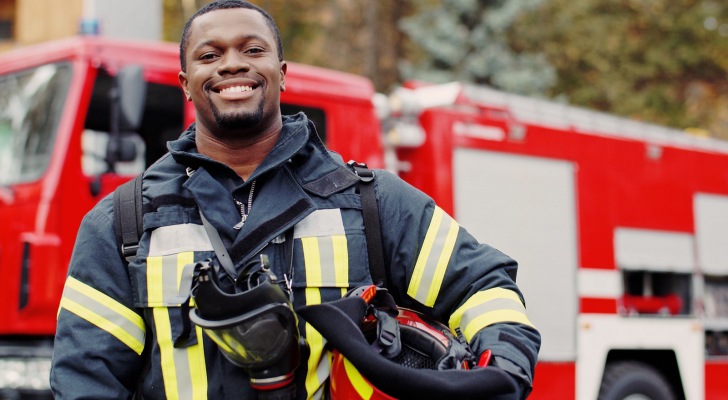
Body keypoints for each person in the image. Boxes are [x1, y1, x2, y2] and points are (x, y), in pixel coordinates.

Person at [50, 1, 540, 399]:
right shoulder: (123, 223)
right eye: (209, 55)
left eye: (252, 49)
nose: (232, 63)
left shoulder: (372, 204)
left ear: (281, 73)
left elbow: (482, 285)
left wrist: (503, 361)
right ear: (185, 83)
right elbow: (85, 378)